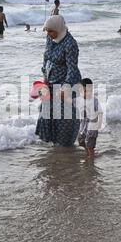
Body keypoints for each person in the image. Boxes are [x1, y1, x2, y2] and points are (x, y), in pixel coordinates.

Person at [35, 15, 82, 147]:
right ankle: (55, 145)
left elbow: (72, 69)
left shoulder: (70, 44)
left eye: (50, 31)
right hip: (50, 83)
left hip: (66, 84)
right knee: (48, 115)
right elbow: (46, 58)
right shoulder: (50, 38)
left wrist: (65, 88)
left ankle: (66, 148)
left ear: (58, 28)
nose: (48, 34)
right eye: (47, 31)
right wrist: (44, 79)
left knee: (64, 119)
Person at [76, 78, 103, 159]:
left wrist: (98, 124)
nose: (82, 93)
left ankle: (91, 158)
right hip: (83, 125)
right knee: (81, 140)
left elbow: (100, 112)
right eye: (81, 91)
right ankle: (87, 151)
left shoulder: (94, 101)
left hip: (92, 126)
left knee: (90, 143)